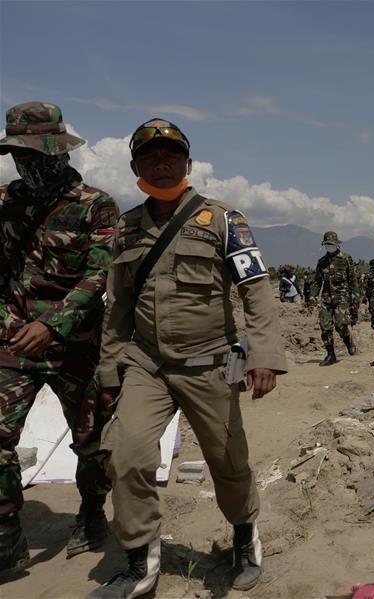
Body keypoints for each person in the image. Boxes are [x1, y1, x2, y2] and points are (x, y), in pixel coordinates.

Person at [89, 118, 287, 598]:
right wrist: (110, 370)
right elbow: (117, 308)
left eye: (171, 155)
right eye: (150, 156)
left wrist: (263, 354)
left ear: (188, 163)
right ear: (135, 167)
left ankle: (245, 536)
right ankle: (141, 560)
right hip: (147, 366)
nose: (162, 163)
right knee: (126, 456)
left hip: (209, 363)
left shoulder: (223, 220)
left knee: (228, 462)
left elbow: (256, 290)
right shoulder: (127, 228)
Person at [0, 102, 118, 574]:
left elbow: (98, 274)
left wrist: (53, 325)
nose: (25, 165)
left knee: (92, 441)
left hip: (77, 345)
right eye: (18, 156)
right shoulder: (4, 203)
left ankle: (91, 512)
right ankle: (7, 535)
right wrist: (8, 322)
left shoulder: (94, 204)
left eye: (33, 156)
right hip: (13, 343)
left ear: (57, 152)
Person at [309, 231, 359, 366]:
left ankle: (349, 342)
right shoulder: (322, 262)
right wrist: (312, 298)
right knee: (325, 326)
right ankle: (330, 354)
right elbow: (317, 282)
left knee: (341, 325)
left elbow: (353, 280)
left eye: (331, 244)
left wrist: (355, 298)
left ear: (337, 244)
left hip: (342, 299)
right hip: (326, 299)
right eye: (327, 244)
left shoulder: (346, 259)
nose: (329, 246)